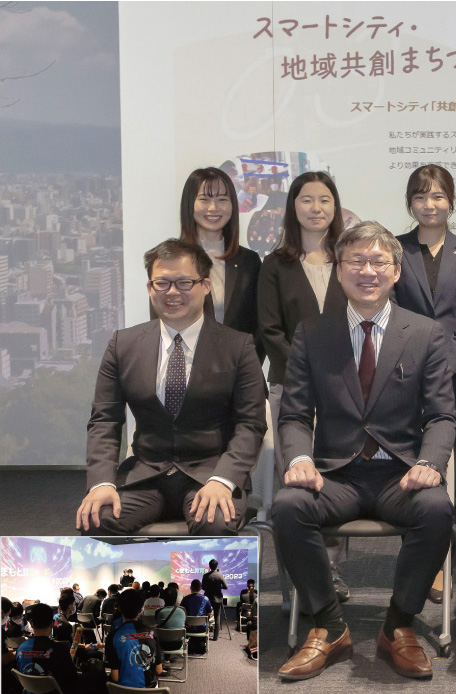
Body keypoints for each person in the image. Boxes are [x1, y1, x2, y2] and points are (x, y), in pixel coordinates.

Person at [271, 221, 456, 681]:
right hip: (336, 476)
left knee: (437, 509)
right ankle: (329, 626)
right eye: (356, 261)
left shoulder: (426, 333)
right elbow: (294, 415)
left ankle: (399, 626)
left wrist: (430, 463)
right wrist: (299, 459)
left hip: (400, 474)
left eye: (378, 261)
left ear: (396, 271)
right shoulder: (313, 333)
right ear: (339, 271)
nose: (367, 271)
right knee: (288, 507)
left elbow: (441, 416)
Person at [76, 239, 268, 535]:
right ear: (150, 288)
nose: (172, 292)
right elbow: (105, 421)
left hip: (210, 474)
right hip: (145, 475)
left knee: (215, 522)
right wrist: (101, 483)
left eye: (184, 282)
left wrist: (224, 479)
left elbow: (251, 424)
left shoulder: (238, 346)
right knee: (96, 518)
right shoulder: (123, 345)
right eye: (162, 283)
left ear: (205, 285)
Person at [258, 171, 352, 601]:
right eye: (307, 199)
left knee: (336, 477)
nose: (316, 208)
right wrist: (305, 368)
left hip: (346, 390)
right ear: (292, 206)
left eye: (325, 200)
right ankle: (300, 576)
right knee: (296, 482)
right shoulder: (275, 264)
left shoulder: (351, 259)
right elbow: (269, 329)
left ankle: (331, 569)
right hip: (291, 389)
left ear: (336, 207)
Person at [394, 164, 456, 603]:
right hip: (403, 374)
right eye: (421, 196)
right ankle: (417, 554)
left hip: (454, 375)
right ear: (410, 202)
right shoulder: (396, 249)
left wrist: (451, 364)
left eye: (438, 196)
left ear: (452, 200)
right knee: (411, 461)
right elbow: (390, 311)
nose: (430, 204)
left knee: (450, 464)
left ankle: (446, 557)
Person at [167, 167, 264, 364]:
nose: (213, 208)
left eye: (222, 199)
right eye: (204, 199)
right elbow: (162, 323)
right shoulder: (170, 259)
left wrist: (246, 368)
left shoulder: (249, 261)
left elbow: (260, 326)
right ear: (190, 204)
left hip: (240, 371)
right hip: (186, 371)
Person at [15, 603, 88, 694]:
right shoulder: (60, 650)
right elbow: (73, 679)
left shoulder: (21, 648)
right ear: (52, 624)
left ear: (31, 623)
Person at [106, 589, 162, 689]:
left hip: (123, 690)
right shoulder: (152, 633)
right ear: (141, 610)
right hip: (150, 690)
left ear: (119, 609)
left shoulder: (113, 636)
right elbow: (158, 670)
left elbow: (115, 677)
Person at [201, 558, 228, 641]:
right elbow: (226, 587)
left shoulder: (205, 576)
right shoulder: (220, 575)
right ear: (217, 566)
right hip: (218, 599)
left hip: (207, 599)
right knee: (217, 617)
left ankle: (204, 634)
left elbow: (203, 587)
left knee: (206, 617)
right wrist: (218, 586)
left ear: (209, 566)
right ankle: (215, 637)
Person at [154, 585, 185, 652]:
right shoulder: (182, 612)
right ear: (176, 598)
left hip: (162, 644)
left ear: (164, 598)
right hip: (178, 644)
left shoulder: (158, 612)